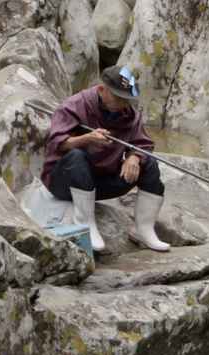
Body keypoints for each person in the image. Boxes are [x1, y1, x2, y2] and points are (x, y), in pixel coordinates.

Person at [41, 65, 169, 253]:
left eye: (127, 99)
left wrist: (133, 157)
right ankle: (84, 224)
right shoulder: (75, 105)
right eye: (118, 98)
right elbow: (56, 143)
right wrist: (86, 139)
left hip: (99, 183)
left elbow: (143, 144)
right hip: (64, 181)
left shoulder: (130, 115)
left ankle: (144, 229)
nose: (123, 104)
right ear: (102, 90)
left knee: (148, 162)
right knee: (77, 156)